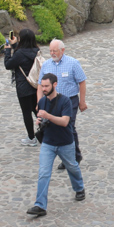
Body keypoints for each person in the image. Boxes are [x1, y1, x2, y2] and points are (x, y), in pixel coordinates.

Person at [26, 73, 86, 217]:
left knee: (72, 166)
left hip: (65, 142)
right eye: (42, 86)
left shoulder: (65, 101)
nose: (44, 89)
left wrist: (48, 116)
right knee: (43, 173)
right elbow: (42, 118)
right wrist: (39, 121)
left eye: (46, 86)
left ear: (55, 84)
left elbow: (65, 122)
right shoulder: (42, 102)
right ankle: (40, 205)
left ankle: (79, 188)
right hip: (48, 143)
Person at [38, 39, 87, 168]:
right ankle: (70, 154)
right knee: (56, 126)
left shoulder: (72, 63)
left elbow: (82, 81)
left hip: (69, 100)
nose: (52, 53)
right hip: (51, 101)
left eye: (55, 50)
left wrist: (82, 101)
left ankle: (72, 157)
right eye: (50, 51)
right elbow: (39, 85)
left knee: (68, 126)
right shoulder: (46, 65)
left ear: (62, 50)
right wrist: (39, 102)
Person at [3, 28, 40, 146]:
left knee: (26, 112)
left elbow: (8, 64)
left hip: (23, 87)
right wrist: (15, 46)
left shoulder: (19, 53)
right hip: (35, 85)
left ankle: (31, 138)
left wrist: (8, 51)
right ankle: (48, 132)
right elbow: (24, 55)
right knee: (37, 109)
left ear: (22, 39)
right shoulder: (36, 50)